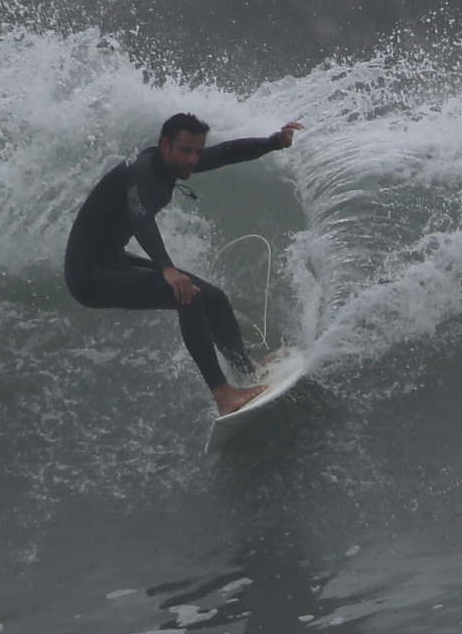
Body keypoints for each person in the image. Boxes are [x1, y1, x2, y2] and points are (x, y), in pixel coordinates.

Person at [65, 113, 304, 416]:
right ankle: (224, 395)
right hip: (89, 275)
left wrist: (274, 142)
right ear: (166, 145)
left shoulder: (174, 163)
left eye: (197, 151)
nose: (193, 159)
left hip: (112, 260)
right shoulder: (143, 172)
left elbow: (225, 153)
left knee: (213, 297)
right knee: (186, 295)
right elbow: (141, 220)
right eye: (186, 150)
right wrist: (168, 269)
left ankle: (247, 370)